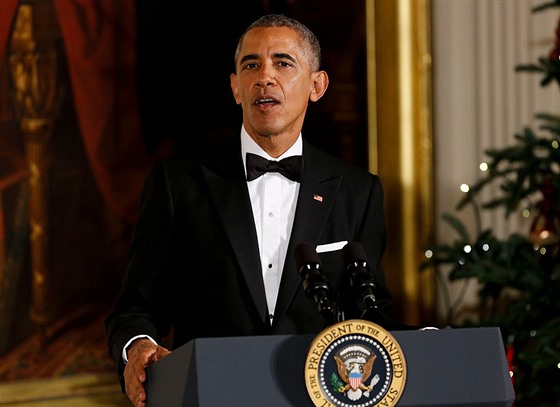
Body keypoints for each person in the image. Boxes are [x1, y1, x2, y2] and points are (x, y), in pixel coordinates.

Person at [105, 13, 401, 407]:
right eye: (251, 65)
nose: (265, 76)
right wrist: (137, 346)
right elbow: (135, 309)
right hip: (209, 397)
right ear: (235, 87)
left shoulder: (358, 191)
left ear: (317, 85)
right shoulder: (178, 183)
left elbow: (371, 315)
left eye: (283, 62)